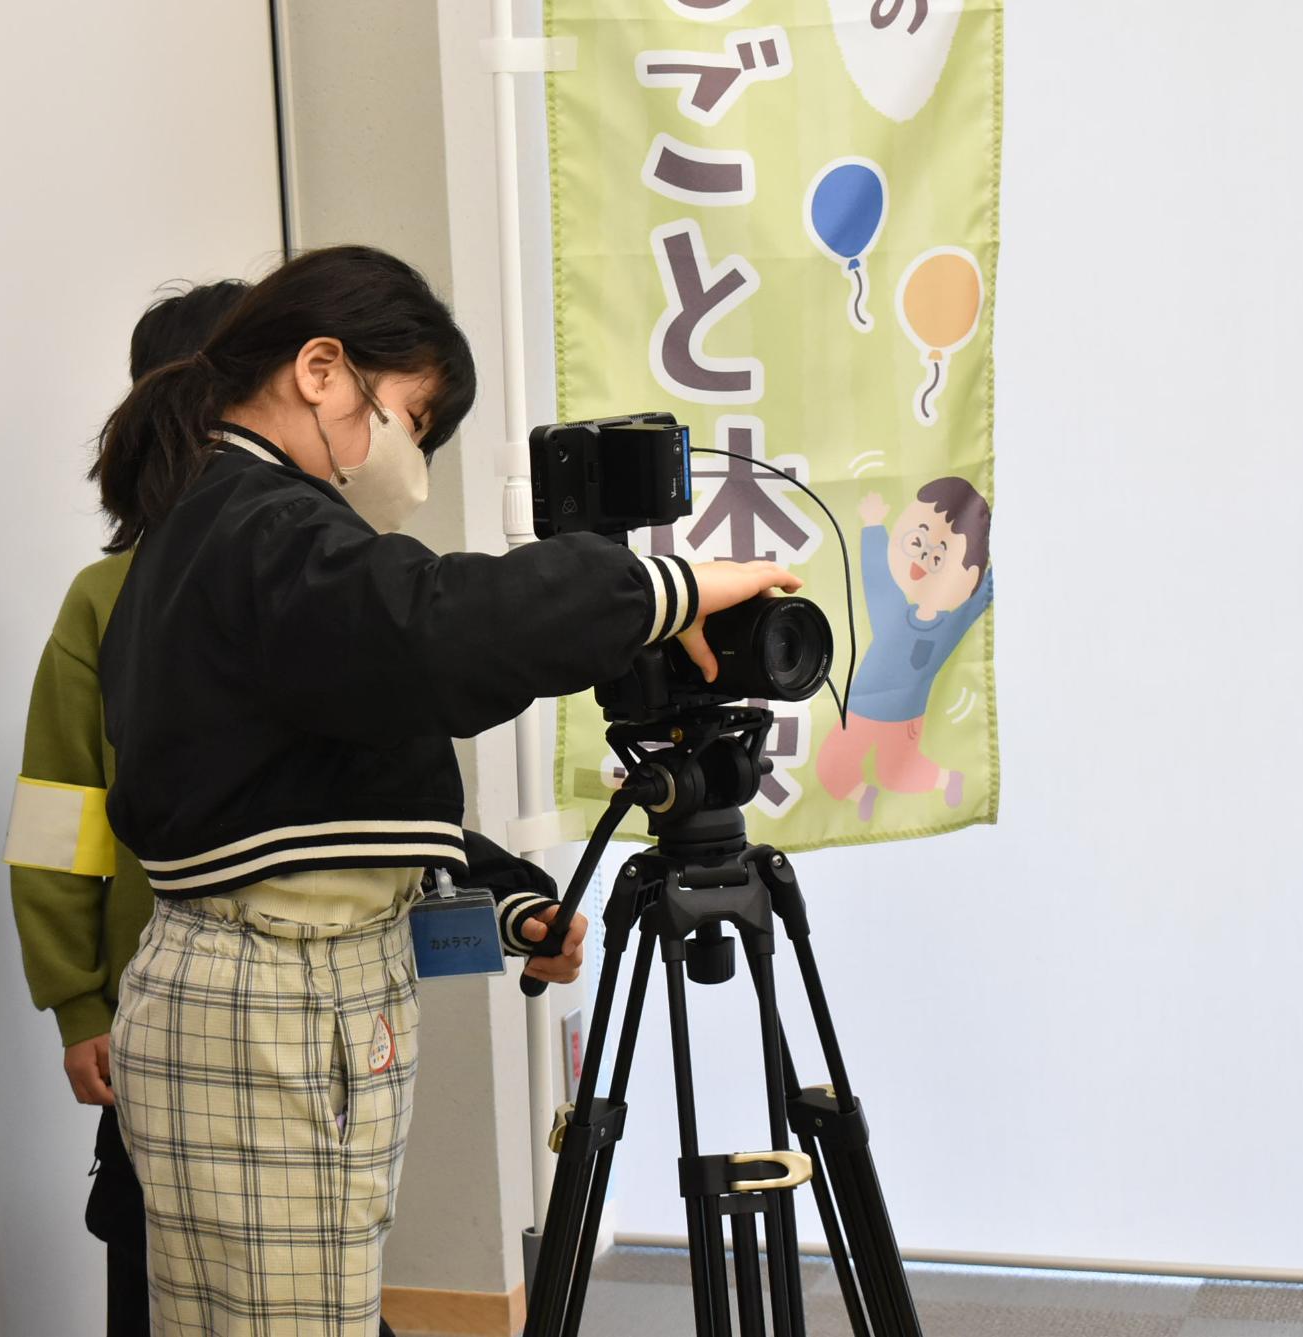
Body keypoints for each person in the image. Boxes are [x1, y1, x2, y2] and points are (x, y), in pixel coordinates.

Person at [91, 243, 800, 1335]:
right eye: (411, 417)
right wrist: (665, 589)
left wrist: (507, 895)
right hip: (273, 988)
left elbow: (351, 787)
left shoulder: (227, 525)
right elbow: (434, 627)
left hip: (287, 978)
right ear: (320, 369)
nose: (408, 458)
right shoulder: (258, 523)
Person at [6, 279, 252, 1337]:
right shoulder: (102, 601)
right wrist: (77, 1004)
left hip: (312, 1019)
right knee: (151, 1277)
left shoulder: (327, 582)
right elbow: (58, 821)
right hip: (156, 1023)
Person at [819, 478, 993, 821]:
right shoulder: (894, 614)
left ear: (968, 577)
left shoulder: (947, 629)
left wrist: (991, 580)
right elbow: (878, 580)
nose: (925, 559)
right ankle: (862, 794)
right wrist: (872, 527)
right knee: (832, 765)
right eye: (918, 542)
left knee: (895, 773)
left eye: (941, 557)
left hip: (903, 717)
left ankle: (947, 779)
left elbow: (977, 601)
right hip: (861, 708)